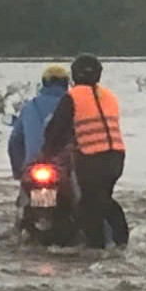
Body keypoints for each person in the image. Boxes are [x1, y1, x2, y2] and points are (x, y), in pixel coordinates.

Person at [40, 54, 129, 249]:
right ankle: (120, 242)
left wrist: (45, 155)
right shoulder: (109, 96)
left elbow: (57, 129)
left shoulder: (73, 97)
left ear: (74, 75)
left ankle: (96, 247)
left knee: (90, 205)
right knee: (103, 200)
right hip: (116, 157)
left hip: (92, 158)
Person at [7, 65, 70, 180]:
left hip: (33, 166)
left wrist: (18, 172)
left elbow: (15, 142)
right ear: (66, 83)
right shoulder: (74, 106)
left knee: (24, 194)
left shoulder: (30, 107)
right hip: (64, 167)